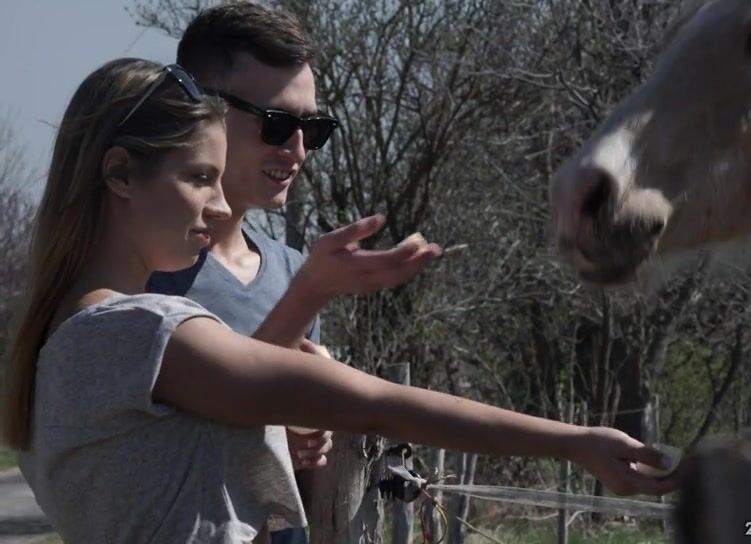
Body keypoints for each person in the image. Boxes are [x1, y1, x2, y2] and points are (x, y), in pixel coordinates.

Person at [2, 58, 673, 543]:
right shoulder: (137, 332)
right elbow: (374, 403)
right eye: (200, 177)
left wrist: (276, 410)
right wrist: (575, 441)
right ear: (121, 173)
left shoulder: (65, 342)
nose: (220, 205)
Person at [143, 6, 438, 541]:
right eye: (276, 124)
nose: (298, 150)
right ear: (197, 109)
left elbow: (299, 480)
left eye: (314, 129)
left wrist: (310, 434)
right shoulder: (141, 276)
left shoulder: (290, 267)